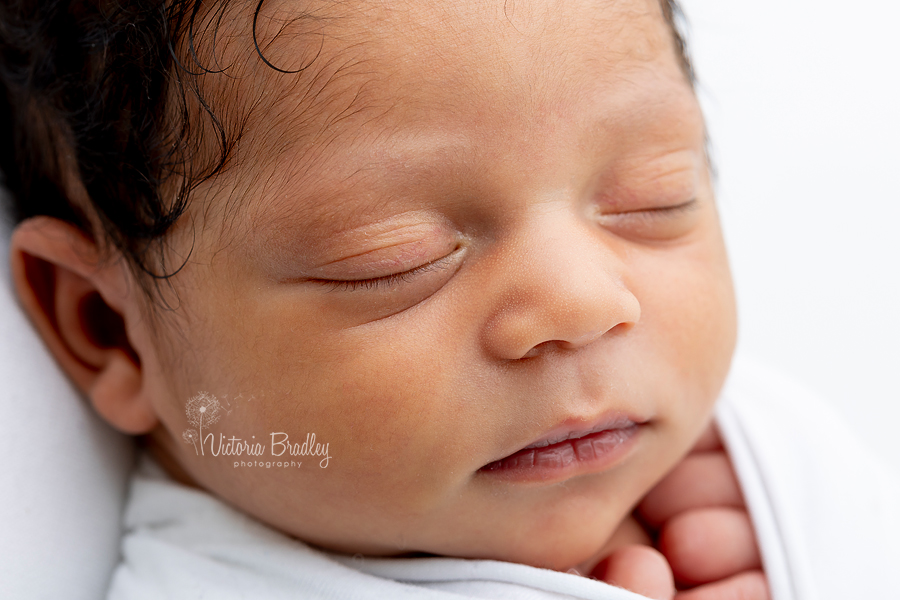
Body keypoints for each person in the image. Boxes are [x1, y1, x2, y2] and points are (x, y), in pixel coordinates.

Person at [2, 1, 892, 599]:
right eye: (393, 259)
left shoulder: (758, 463)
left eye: (653, 199)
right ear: (107, 328)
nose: (583, 303)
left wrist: (821, 540)